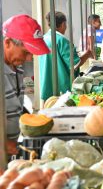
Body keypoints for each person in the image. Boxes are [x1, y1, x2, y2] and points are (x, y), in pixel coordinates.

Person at [2, 14, 50, 155]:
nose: (29, 58)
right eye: (26, 52)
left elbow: (12, 103)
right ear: (8, 43)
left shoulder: (17, 66)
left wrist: (32, 119)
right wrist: (3, 142)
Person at [39, 11, 92, 102]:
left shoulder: (44, 38)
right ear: (63, 24)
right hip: (61, 87)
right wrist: (88, 53)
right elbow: (75, 64)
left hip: (46, 83)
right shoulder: (62, 41)